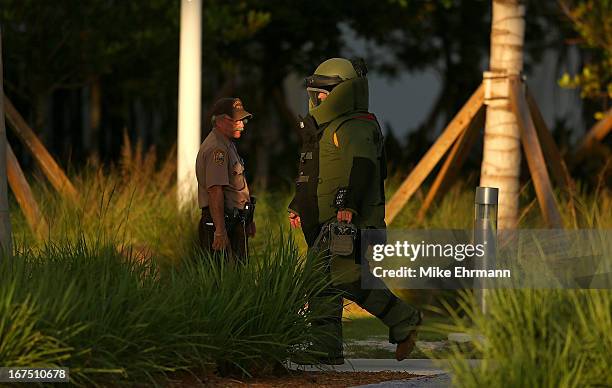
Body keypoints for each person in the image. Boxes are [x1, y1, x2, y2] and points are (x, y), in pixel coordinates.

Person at [288, 58, 421, 363]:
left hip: (351, 222)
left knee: (347, 276)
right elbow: (319, 172)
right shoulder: (328, 127)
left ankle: (404, 319)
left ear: (344, 92)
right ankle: (325, 347)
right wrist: (298, 205)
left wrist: (346, 205)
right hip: (326, 223)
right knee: (319, 282)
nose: (318, 98)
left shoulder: (357, 126)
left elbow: (361, 167)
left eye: (325, 93)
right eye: (316, 93)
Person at [196, 97, 256, 262]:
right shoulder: (217, 148)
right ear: (221, 121)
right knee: (221, 279)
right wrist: (220, 231)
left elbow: (236, 188)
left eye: (243, 121)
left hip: (233, 221)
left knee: (236, 276)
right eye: (237, 121)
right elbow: (215, 190)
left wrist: (248, 220)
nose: (242, 125)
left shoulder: (227, 144)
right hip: (222, 223)